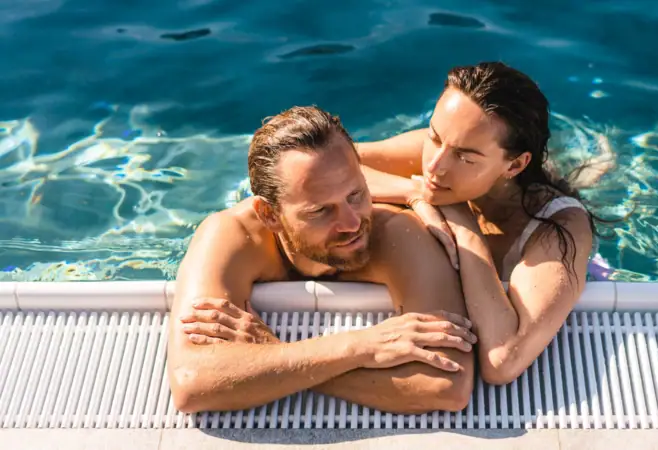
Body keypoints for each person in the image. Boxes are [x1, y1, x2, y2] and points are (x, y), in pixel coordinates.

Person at [166, 105, 476, 415]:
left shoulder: (399, 235)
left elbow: (447, 385)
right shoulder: (232, 236)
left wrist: (273, 356)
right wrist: (361, 347)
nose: (352, 223)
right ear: (269, 215)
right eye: (320, 211)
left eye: (356, 195)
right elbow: (191, 383)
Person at [355, 61, 616, 385]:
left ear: (515, 164)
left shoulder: (559, 228)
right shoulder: (444, 149)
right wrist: (415, 192)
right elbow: (324, 166)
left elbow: (503, 361)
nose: (435, 167)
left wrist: (463, 224)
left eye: (465, 157)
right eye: (434, 137)